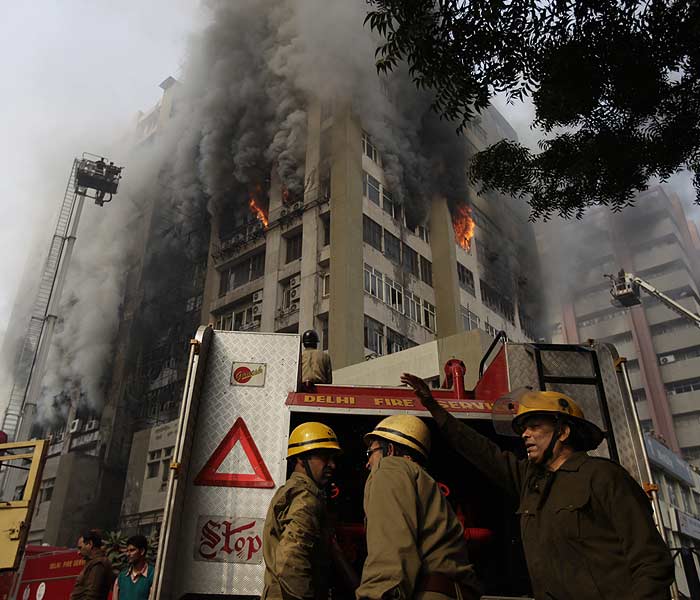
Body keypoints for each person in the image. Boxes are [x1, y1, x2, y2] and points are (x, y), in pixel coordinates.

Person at [401, 373, 675, 600]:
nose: (525, 435)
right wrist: (433, 406)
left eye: (534, 427)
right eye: (523, 429)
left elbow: (652, 562)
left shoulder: (603, 477)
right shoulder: (529, 480)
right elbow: (481, 451)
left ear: (563, 432)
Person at [356, 415, 482, 600]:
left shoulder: (389, 467)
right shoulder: (425, 482)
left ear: (389, 449)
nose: (368, 463)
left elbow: (390, 553)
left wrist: (379, 595)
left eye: (370, 452)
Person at [262, 422, 342, 600]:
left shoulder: (291, 491)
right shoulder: (305, 498)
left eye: (333, 458)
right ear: (300, 458)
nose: (332, 465)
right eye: (324, 457)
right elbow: (290, 561)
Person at [70, 530, 113, 600]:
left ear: (90, 544)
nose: (78, 552)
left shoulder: (98, 563)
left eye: (80, 548)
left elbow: (91, 595)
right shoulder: (93, 562)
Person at [112, 535, 153, 600]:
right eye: (127, 551)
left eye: (132, 550)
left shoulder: (152, 576)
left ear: (142, 551)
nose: (128, 554)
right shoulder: (121, 577)